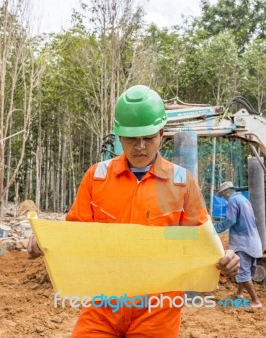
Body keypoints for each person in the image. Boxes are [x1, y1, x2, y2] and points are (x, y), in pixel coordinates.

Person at [28, 85, 240, 337]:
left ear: (161, 134)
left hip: (158, 310)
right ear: (119, 136)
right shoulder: (96, 178)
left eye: (148, 137)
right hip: (102, 305)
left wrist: (225, 263)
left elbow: (196, 242)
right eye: (131, 138)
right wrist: (45, 241)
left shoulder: (182, 182)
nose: (140, 146)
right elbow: (76, 237)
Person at [214, 181, 262, 308]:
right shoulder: (243, 200)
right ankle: (239, 293)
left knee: (242, 272)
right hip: (253, 241)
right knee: (243, 270)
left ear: (226, 192)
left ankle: (256, 301)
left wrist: (214, 229)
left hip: (242, 243)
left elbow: (230, 220)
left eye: (223, 194)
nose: (223, 197)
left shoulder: (233, 201)